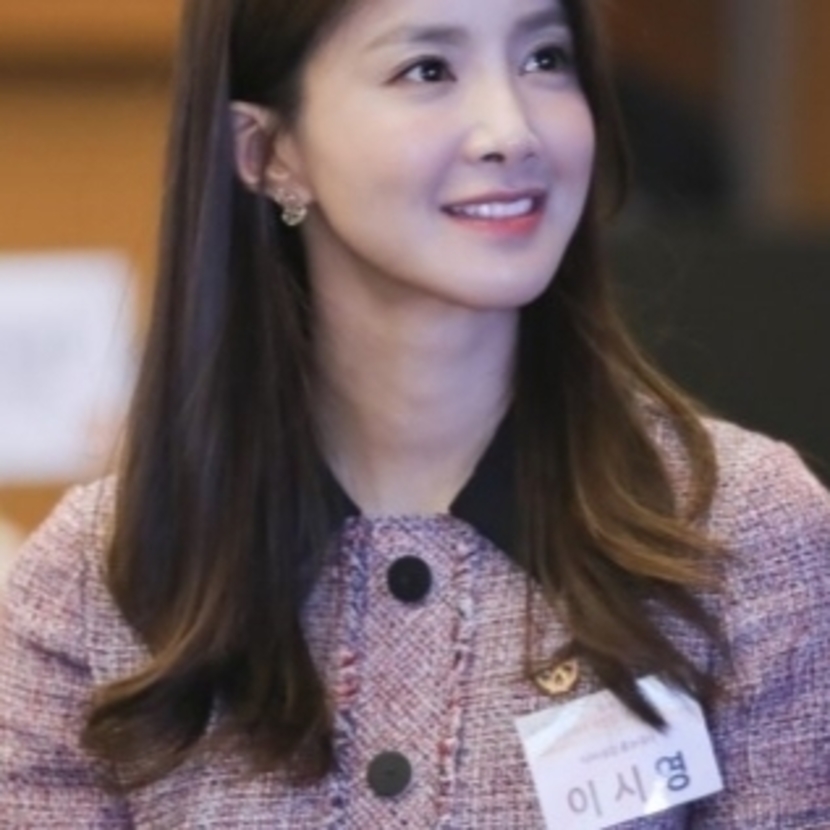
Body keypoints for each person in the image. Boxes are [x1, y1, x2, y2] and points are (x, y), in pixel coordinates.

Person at [1, 0, 828, 826]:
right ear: (266, 151)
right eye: (427, 70)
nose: (512, 131)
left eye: (544, 59)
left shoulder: (747, 535)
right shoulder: (90, 585)